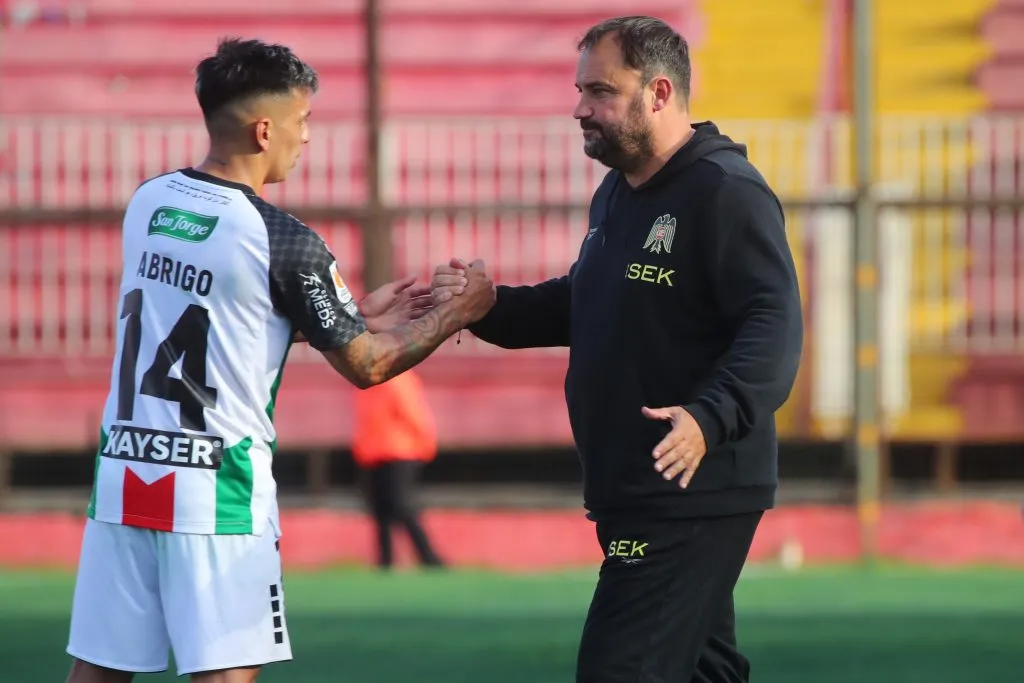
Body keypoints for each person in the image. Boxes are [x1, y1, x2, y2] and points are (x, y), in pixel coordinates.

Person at [65, 38, 494, 683]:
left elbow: (210, 318)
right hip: (219, 489)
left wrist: (343, 316)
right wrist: (454, 315)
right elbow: (368, 367)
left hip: (126, 475)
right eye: (304, 122)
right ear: (265, 130)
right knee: (228, 674)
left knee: (98, 672)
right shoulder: (282, 239)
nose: (306, 138)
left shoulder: (150, 202)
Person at [431, 16, 803, 683]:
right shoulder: (620, 192)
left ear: (659, 93)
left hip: (690, 487)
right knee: (699, 670)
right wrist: (487, 307)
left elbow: (774, 324)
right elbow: (586, 303)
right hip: (633, 486)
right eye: (580, 90)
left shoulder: (725, 192)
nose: (580, 108)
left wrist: (707, 417)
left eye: (600, 91)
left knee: (619, 669)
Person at [352, 369, 445, 569]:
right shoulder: (364, 384)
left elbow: (414, 413)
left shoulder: (397, 379)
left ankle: (429, 558)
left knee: (402, 506)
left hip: (400, 452)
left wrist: (426, 442)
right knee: (381, 511)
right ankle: (385, 562)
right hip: (374, 454)